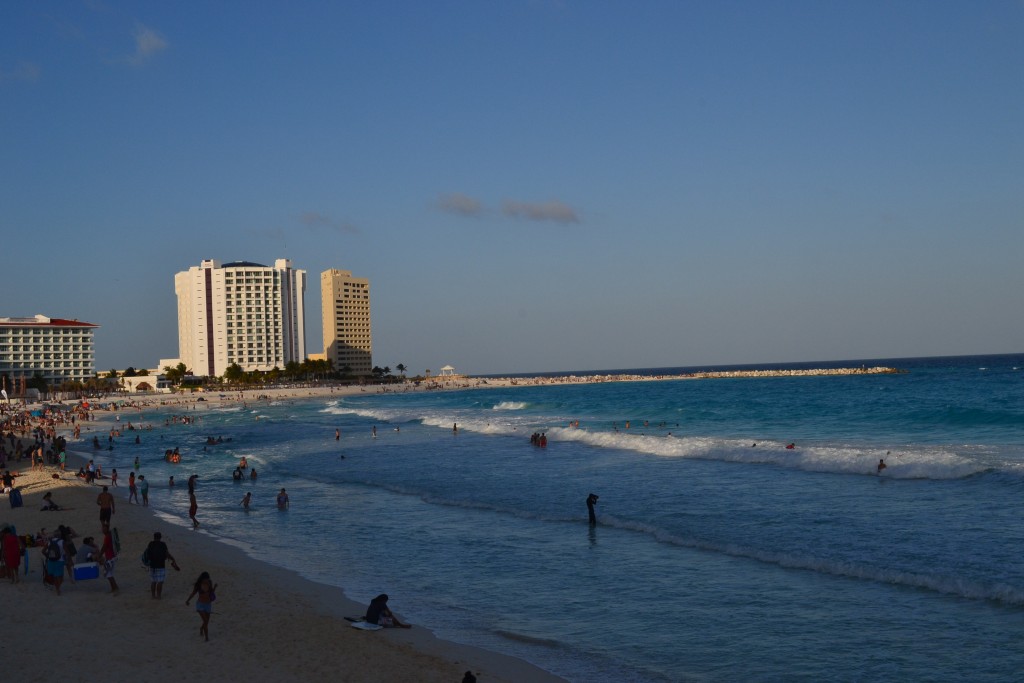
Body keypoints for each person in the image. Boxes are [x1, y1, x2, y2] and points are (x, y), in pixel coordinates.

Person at [145, 531, 179, 599]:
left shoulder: (150, 543)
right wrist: (173, 559)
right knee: (160, 582)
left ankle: (153, 596)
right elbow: (167, 554)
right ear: (160, 537)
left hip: (152, 565)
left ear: (154, 537)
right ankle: (159, 596)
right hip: (160, 565)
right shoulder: (163, 544)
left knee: (153, 581)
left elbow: (147, 553)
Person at [185, 571, 218, 642]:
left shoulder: (209, 582)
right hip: (200, 605)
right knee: (205, 621)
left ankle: (201, 628)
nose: (207, 580)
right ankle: (206, 638)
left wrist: (215, 587)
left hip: (208, 605)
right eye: (206, 578)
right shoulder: (198, 585)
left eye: (208, 578)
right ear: (203, 578)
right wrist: (187, 600)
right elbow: (193, 593)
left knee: (206, 621)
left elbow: (211, 592)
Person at [100, 524, 119, 594]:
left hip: (110, 557)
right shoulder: (109, 535)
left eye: (104, 529)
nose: (103, 530)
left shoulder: (107, 537)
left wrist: (99, 555)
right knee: (110, 574)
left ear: (107, 529)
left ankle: (115, 588)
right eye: (102, 528)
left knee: (108, 574)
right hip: (112, 556)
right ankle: (114, 588)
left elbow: (104, 547)